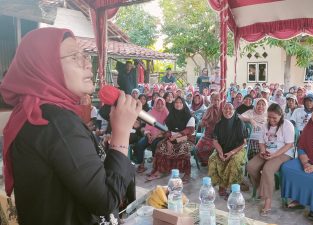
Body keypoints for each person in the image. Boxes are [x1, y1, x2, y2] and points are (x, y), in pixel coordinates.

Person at [0, 28, 141, 224]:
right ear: (45, 67)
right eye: (75, 57)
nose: (87, 64)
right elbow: (105, 200)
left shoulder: (37, 113)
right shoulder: (55, 122)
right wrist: (122, 133)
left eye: (85, 56)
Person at [247, 103, 295, 216]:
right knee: (251, 166)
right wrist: (263, 152)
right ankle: (262, 189)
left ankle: (268, 201)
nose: (271, 120)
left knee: (267, 169)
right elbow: (261, 142)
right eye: (269, 117)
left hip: (283, 153)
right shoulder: (265, 125)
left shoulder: (287, 125)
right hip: (267, 152)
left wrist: (273, 156)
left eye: (274, 118)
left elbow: (289, 145)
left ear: (281, 116)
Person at [147, 96, 195, 183]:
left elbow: (190, 130)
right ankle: (160, 170)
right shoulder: (171, 115)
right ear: (174, 104)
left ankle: (187, 173)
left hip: (185, 138)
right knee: (161, 146)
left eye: (180, 102)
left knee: (183, 148)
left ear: (183, 104)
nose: (178, 104)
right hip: (171, 138)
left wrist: (177, 136)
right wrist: (169, 140)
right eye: (176, 102)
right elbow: (167, 130)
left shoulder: (189, 116)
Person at [208, 103, 248, 198]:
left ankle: (233, 188)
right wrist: (221, 152)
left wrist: (231, 152)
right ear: (222, 110)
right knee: (213, 159)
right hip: (223, 148)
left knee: (234, 161)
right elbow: (215, 141)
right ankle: (221, 185)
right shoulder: (219, 124)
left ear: (234, 111)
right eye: (225, 108)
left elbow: (244, 142)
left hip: (238, 149)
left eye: (230, 109)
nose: (228, 111)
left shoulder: (239, 123)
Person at [134, 97, 169, 173]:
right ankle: (141, 164)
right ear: (155, 104)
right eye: (157, 103)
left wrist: (155, 136)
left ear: (164, 104)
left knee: (155, 144)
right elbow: (147, 127)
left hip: (161, 136)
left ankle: (155, 164)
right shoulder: (151, 112)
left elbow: (166, 129)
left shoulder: (166, 113)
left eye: (161, 104)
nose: (159, 105)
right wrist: (148, 134)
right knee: (139, 144)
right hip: (150, 134)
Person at [196, 92, 222, 166]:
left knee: (215, 148)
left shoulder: (223, 109)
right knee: (198, 148)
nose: (216, 102)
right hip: (208, 134)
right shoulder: (209, 109)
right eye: (214, 100)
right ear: (211, 100)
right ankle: (205, 162)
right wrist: (204, 122)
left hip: (218, 136)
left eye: (218, 100)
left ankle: (214, 163)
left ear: (220, 100)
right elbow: (202, 123)